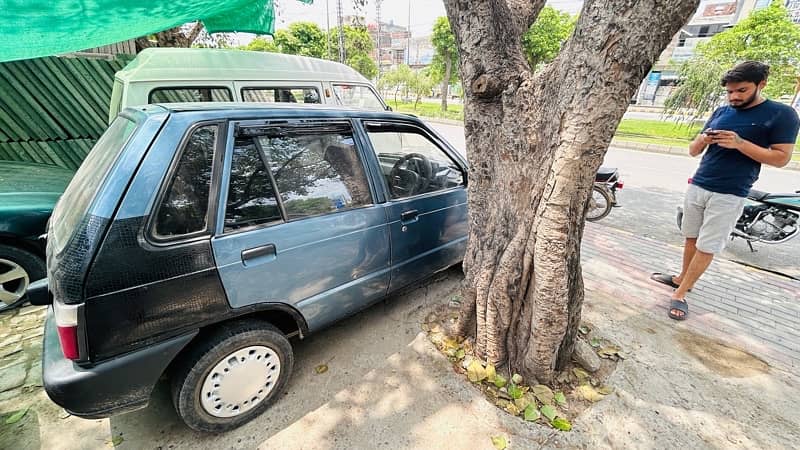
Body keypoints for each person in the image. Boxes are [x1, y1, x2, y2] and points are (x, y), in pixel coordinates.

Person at [651, 61, 799, 321]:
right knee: (691, 237)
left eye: (741, 91)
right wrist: (704, 139)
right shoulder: (722, 111)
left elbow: (781, 158)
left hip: (731, 191)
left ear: (761, 84)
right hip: (699, 183)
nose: (734, 97)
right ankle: (682, 279)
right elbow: (693, 150)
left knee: (707, 246)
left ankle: (681, 295)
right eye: (730, 92)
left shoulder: (781, 114)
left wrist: (740, 143)